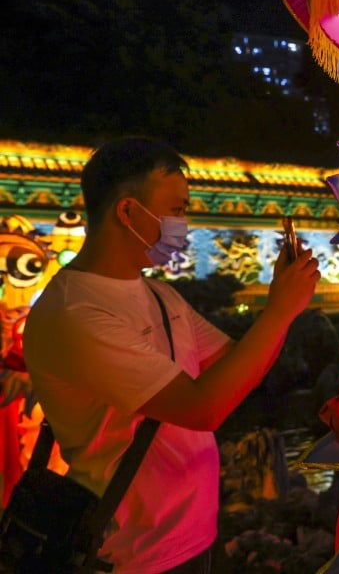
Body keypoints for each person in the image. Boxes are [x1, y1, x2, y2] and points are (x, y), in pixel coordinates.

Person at [22, 138, 321, 573]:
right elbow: (203, 409)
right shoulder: (76, 313)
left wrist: (283, 306)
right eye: (178, 210)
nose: (185, 222)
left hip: (196, 536)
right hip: (130, 553)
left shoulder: (160, 295)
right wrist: (279, 311)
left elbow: (238, 366)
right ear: (127, 212)